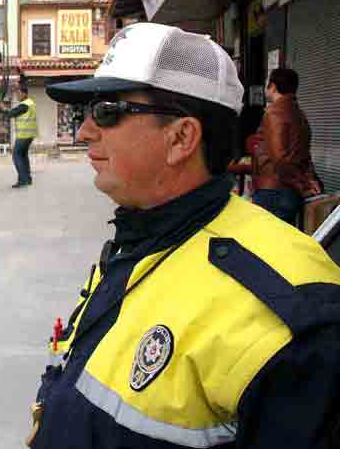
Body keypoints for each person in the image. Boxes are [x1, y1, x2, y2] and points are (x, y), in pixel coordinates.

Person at [32, 23, 340, 449]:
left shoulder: (292, 311)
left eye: (106, 111)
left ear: (181, 138)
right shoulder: (139, 239)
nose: (84, 132)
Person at [251, 68, 323, 226]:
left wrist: (303, 185)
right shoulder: (299, 114)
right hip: (288, 193)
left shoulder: (274, 113)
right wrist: (307, 181)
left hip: (273, 192)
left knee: (262, 245)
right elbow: (304, 156)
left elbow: (280, 158)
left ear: (273, 86)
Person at [0, 76, 37, 188]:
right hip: (29, 135)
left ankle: (23, 180)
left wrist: (3, 108)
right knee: (23, 156)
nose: (17, 95)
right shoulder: (30, 103)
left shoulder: (25, 105)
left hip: (24, 135)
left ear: (24, 93)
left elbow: (11, 113)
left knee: (16, 156)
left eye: (18, 93)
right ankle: (27, 179)